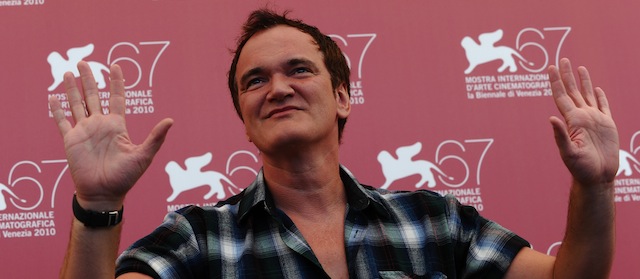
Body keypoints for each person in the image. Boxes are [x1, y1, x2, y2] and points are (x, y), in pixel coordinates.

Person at [51, 9, 617, 279]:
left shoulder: (435, 221)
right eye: (255, 80)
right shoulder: (199, 239)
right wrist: (97, 208)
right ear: (245, 122)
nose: (277, 88)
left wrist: (595, 186)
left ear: (342, 96)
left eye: (298, 69)